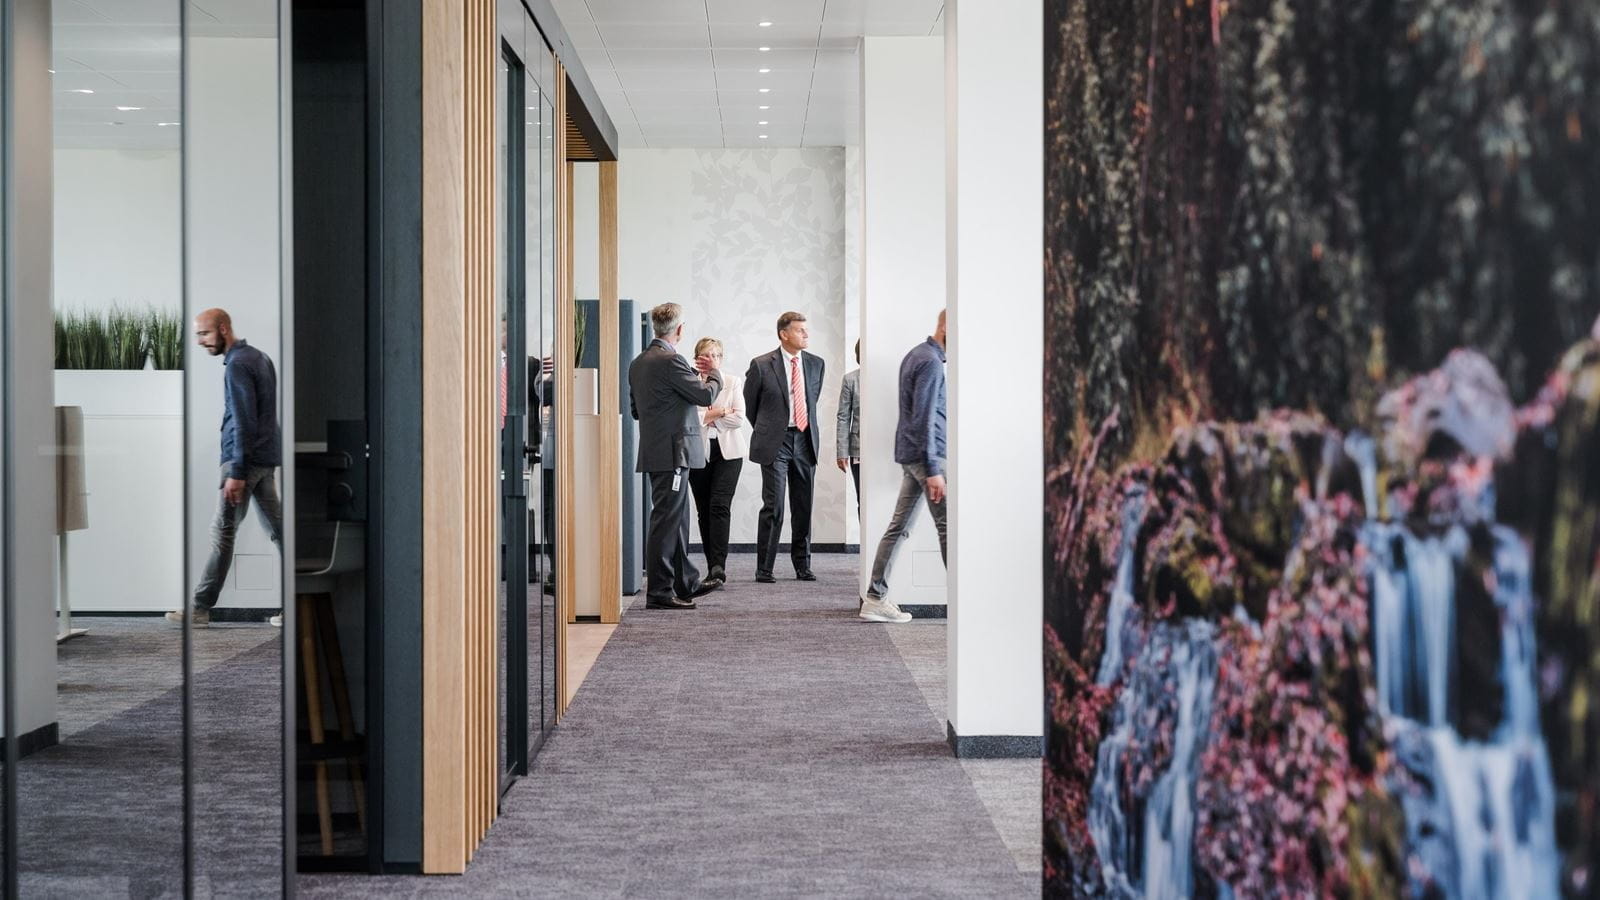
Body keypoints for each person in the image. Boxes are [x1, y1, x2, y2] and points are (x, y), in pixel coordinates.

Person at [168, 308, 283, 628]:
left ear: (223, 329)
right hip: (264, 458)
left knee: (223, 533)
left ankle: (199, 608)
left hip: (243, 462)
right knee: (280, 532)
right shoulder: (260, 357)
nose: (200, 341)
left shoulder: (237, 364)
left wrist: (237, 471)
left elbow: (244, 419)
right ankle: (296, 601)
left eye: (204, 333)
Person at [629, 303, 724, 610]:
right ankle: (659, 591)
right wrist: (714, 374)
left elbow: (635, 411)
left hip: (658, 451)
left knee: (676, 521)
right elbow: (706, 396)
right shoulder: (672, 360)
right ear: (679, 330)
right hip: (673, 454)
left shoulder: (639, 362)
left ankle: (686, 583)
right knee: (667, 522)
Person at [860, 310, 948, 624]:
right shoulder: (930, 362)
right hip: (927, 457)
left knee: (899, 528)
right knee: (948, 527)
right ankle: (965, 604)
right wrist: (934, 467)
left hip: (914, 456)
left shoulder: (918, 355)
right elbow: (923, 417)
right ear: (946, 325)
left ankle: (875, 597)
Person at [743, 311, 825, 584]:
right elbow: (750, 407)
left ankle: (803, 566)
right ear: (784, 334)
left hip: (804, 440)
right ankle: (764, 568)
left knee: (803, 506)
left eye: (806, 329)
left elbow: (811, 401)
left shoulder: (816, 364)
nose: (806, 334)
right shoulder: (762, 364)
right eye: (800, 330)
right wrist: (770, 429)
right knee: (774, 505)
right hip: (775, 443)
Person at [687, 337, 747, 589]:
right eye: (706, 355)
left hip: (728, 453)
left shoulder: (732, 381)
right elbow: (690, 418)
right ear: (697, 359)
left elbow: (739, 419)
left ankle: (718, 568)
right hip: (698, 451)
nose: (711, 359)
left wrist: (709, 417)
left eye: (716, 355)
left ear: (721, 358)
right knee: (704, 509)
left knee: (719, 506)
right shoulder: (688, 383)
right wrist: (721, 412)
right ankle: (711, 566)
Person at [835, 339, 862, 520]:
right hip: (859, 450)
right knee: (864, 499)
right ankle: (866, 546)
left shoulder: (889, 376)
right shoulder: (851, 379)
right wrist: (842, 452)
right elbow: (843, 417)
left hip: (885, 450)